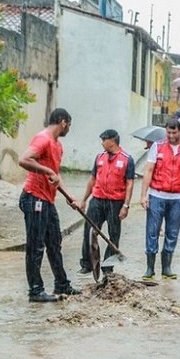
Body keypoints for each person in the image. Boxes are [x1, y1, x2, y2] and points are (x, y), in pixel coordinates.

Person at [17, 108, 81, 303]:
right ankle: (35, 291)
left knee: (54, 243)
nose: (69, 128)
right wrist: (45, 170)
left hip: (48, 200)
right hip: (34, 198)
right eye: (69, 125)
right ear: (63, 122)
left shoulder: (57, 146)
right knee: (36, 246)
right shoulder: (43, 139)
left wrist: (70, 197)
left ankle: (62, 284)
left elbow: (55, 175)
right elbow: (23, 159)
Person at [139, 118, 180, 281]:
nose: (171, 135)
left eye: (174, 132)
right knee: (152, 232)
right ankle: (150, 268)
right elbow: (149, 170)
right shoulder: (157, 146)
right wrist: (143, 195)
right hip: (157, 196)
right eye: (168, 132)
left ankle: (166, 267)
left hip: (177, 198)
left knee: (172, 233)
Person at [76, 129, 135, 275]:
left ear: (112, 141)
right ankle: (87, 263)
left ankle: (108, 266)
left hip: (115, 203)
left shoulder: (127, 159)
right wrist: (84, 200)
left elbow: (129, 183)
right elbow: (92, 180)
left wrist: (126, 206)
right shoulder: (99, 158)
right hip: (97, 200)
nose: (102, 143)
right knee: (89, 231)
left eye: (104, 140)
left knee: (114, 234)